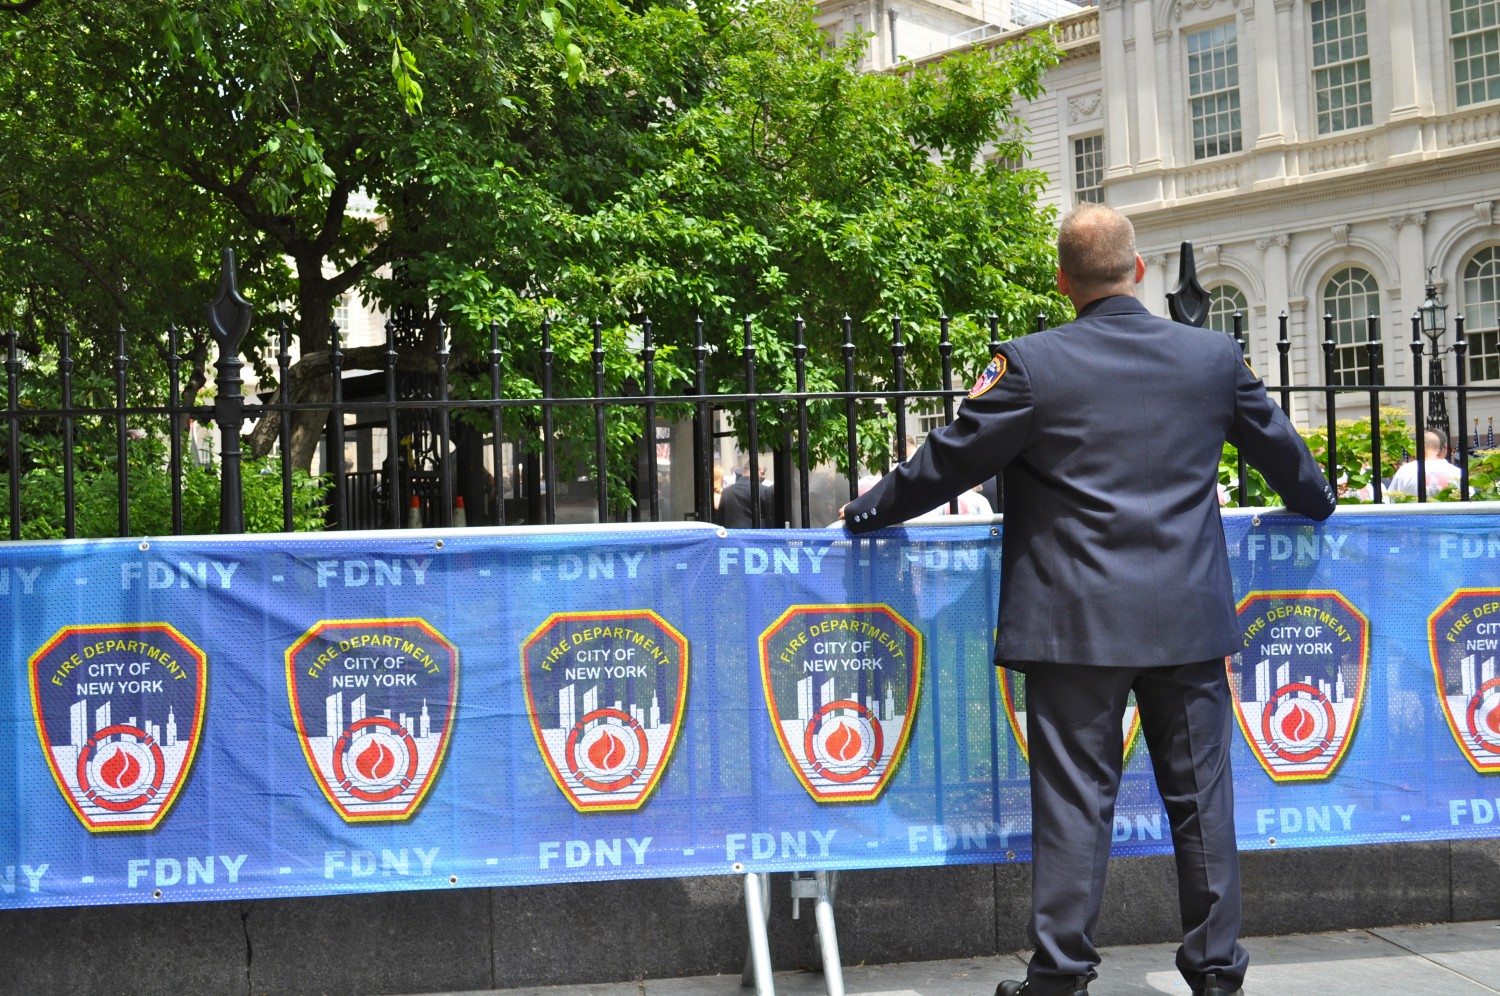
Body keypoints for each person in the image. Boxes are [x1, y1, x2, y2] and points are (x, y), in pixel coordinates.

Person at [840, 203, 1335, 996]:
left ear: (1062, 281)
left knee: (1074, 803)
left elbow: (947, 462)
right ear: (1138, 270)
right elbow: (1290, 462)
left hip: (1073, 625)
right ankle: (1216, 973)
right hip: (1188, 620)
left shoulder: (1032, 365)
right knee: (1202, 803)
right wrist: (1316, 501)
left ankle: (1062, 976)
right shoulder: (1212, 357)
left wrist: (867, 512)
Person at [1386, 430, 1461, 497]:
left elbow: (1390, 500)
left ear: (1417, 448)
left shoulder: (1405, 472)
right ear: (1445, 448)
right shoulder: (1457, 473)